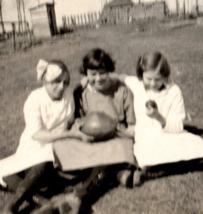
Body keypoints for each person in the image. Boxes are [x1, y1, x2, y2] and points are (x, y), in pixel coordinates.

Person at [0, 59, 93, 214]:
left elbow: (70, 118)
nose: (61, 87)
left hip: (58, 146)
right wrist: (70, 133)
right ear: (44, 81)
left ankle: (26, 203)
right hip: (35, 145)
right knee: (20, 168)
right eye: (56, 82)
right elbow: (37, 134)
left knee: (41, 165)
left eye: (65, 82)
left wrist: (76, 125)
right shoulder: (34, 99)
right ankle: (20, 204)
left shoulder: (68, 95)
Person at [115, 51, 203, 183]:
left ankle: (157, 171)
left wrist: (158, 117)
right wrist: (88, 80)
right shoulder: (138, 85)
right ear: (141, 74)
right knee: (149, 155)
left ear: (165, 76)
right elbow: (122, 77)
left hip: (172, 134)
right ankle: (155, 170)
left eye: (158, 79)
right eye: (149, 79)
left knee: (195, 147)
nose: (153, 83)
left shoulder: (173, 91)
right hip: (148, 136)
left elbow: (178, 124)